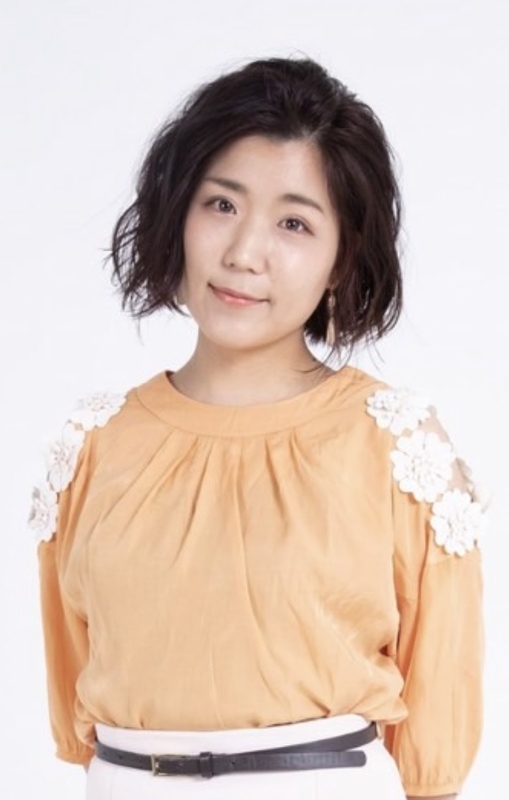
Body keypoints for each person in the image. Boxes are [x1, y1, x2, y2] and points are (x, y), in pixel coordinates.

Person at [30, 57, 484, 800]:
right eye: (221, 204)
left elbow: (436, 726)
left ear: (341, 258)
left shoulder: (395, 443)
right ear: (178, 212)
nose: (244, 253)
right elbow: (76, 698)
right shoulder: (97, 444)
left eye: (294, 223)